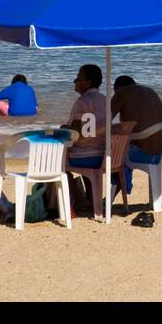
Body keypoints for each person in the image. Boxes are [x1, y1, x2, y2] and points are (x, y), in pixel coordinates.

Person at [61, 64, 109, 213]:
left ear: (87, 82)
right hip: (103, 156)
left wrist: (63, 129)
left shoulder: (82, 102)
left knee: (58, 167)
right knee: (86, 150)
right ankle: (91, 198)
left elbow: (73, 134)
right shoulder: (106, 101)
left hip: (84, 157)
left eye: (78, 78)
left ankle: (81, 199)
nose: (74, 81)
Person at [111, 75, 162, 193]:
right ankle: (115, 192)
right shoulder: (151, 92)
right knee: (125, 146)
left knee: (111, 154)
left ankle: (111, 194)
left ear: (118, 88)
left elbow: (105, 120)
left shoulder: (123, 92)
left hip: (142, 154)